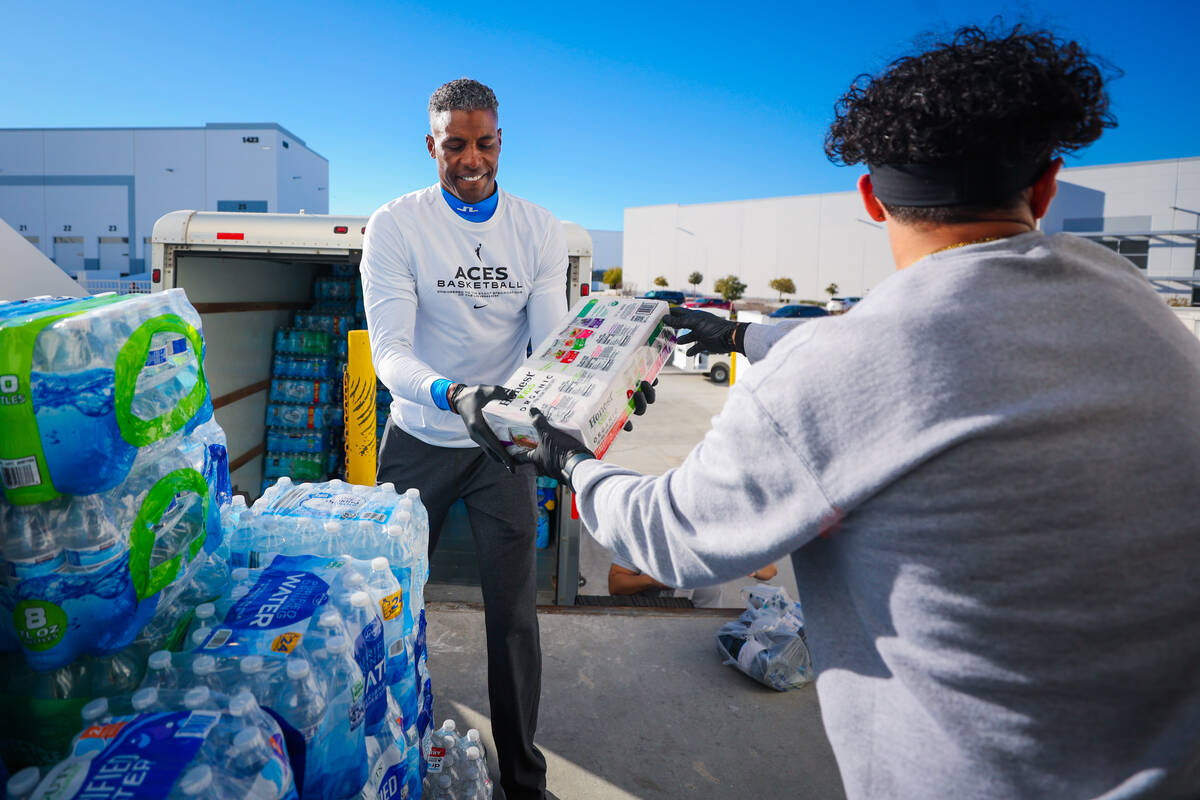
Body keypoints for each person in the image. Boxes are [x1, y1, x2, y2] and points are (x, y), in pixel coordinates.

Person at [518, 25, 1200, 800]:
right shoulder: (1135, 306)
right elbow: (943, 337)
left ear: (871, 199)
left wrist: (570, 461)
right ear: (1045, 188)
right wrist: (745, 333)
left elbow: (674, 539)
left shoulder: (834, 375)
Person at [360, 78, 565, 800]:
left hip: (500, 447)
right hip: (419, 435)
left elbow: (552, 344)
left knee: (513, 617)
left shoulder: (539, 229)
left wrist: (581, 402)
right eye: (455, 145)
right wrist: (455, 394)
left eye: (483, 143)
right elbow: (389, 354)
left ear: (500, 141)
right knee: (388, 604)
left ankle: (524, 782)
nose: (470, 159)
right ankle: (385, 763)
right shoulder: (396, 225)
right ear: (432, 146)